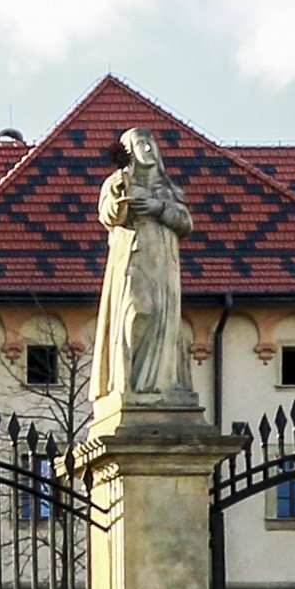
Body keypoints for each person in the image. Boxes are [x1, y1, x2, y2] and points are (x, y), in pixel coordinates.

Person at [93, 126, 197, 410]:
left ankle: (158, 383)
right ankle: (127, 382)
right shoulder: (117, 182)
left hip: (163, 264)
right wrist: (120, 195)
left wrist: (158, 208)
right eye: (141, 143)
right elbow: (109, 216)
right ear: (130, 151)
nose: (148, 148)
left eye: (151, 142)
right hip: (131, 259)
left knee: (163, 318)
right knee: (138, 312)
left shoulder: (169, 188)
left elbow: (186, 224)